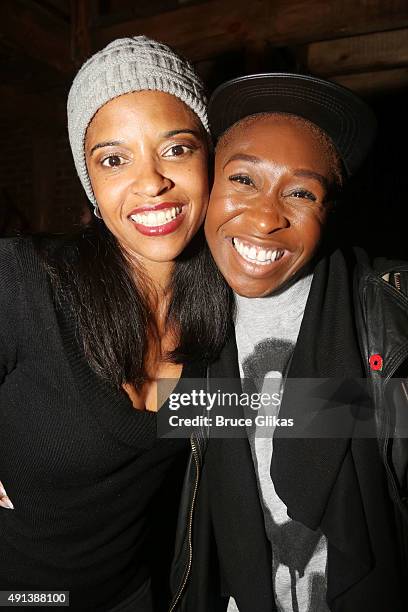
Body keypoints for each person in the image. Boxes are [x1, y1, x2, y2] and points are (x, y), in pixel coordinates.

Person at [0, 36, 231, 611]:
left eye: (176, 149)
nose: (151, 182)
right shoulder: (25, 282)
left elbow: (278, 410)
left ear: (211, 158)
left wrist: (386, 406)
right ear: (92, 187)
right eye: (113, 158)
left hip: (136, 594)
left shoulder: (228, 312)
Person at [176, 74, 408, 611]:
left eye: (302, 192)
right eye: (243, 180)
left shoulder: (384, 316)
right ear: (207, 185)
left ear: (330, 209)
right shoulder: (176, 319)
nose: (265, 217)